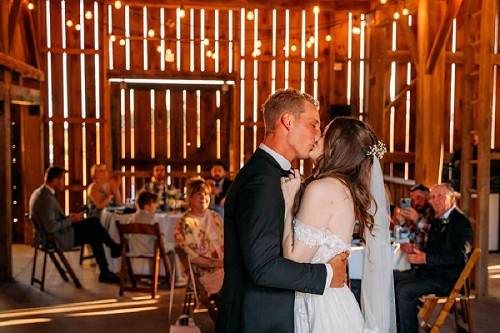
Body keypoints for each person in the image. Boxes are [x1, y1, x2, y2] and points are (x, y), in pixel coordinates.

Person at [216, 88, 349, 333]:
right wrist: (327, 274)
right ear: (287, 121)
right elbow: (263, 268)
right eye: (313, 124)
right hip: (257, 319)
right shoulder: (261, 181)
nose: (318, 134)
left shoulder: (274, 174)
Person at [282, 117, 396, 332]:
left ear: (338, 146)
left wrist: (289, 204)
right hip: (336, 301)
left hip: (320, 306)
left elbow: (295, 259)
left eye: (324, 134)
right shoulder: (344, 188)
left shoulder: (322, 189)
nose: (316, 137)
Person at [394, 183, 474, 333]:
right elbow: (432, 250)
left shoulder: (461, 222)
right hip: (430, 271)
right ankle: (400, 324)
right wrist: (416, 251)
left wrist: (426, 259)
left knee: (404, 290)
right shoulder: (438, 220)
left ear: (452, 199)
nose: (434, 200)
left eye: (440, 196)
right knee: (391, 278)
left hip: (447, 278)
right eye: (432, 197)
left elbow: (459, 257)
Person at [29, 166, 122, 283]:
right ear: (56, 180)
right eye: (62, 179)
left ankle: (105, 269)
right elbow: (51, 227)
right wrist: (71, 220)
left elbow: (51, 220)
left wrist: (69, 217)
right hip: (57, 238)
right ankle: (113, 250)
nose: (64, 183)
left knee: (93, 229)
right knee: (93, 224)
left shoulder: (39, 193)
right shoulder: (46, 199)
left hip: (54, 234)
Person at [174, 178, 224, 297]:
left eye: (206, 194)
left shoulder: (216, 217)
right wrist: (217, 264)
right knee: (236, 279)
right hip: (204, 273)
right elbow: (192, 257)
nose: (203, 197)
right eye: (198, 194)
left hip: (226, 267)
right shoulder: (183, 225)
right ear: (190, 198)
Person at [129, 190, 186, 287]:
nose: (156, 206)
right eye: (154, 203)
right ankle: (177, 278)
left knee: (156, 245)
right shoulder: (151, 218)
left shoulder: (133, 218)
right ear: (147, 206)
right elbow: (158, 240)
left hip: (135, 249)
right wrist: (161, 236)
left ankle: (153, 277)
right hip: (151, 249)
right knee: (174, 248)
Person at [396, 184, 434, 251]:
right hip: (415, 255)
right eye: (412, 200)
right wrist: (402, 223)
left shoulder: (435, 211)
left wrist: (417, 219)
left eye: (419, 198)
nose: (416, 203)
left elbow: (434, 233)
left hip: (428, 257)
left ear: (428, 196)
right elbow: (410, 237)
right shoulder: (418, 212)